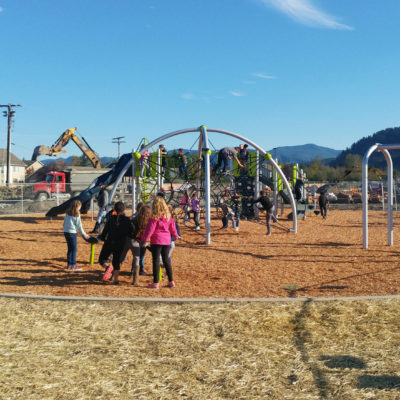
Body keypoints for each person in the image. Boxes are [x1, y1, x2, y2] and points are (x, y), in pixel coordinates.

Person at [141, 197, 178, 289]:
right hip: (166, 241)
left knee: (156, 261)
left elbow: (150, 230)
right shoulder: (168, 216)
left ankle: (156, 283)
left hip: (157, 241)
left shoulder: (154, 217)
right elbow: (173, 228)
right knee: (166, 260)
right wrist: (175, 236)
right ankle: (171, 281)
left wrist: (145, 239)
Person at [99, 201, 133, 284]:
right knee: (116, 261)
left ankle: (107, 267)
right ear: (124, 210)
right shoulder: (127, 220)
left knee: (102, 259)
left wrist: (103, 238)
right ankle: (115, 279)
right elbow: (131, 230)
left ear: (114, 209)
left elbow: (105, 231)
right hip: (121, 243)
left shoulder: (111, 219)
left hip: (110, 242)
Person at [123, 204, 152, 285]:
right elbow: (146, 235)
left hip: (128, 239)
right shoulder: (148, 223)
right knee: (137, 258)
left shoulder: (134, 219)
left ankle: (113, 274)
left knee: (121, 257)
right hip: (137, 242)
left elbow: (128, 229)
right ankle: (135, 279)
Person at [63, 200, 90, 270]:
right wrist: (84, 234)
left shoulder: (67, 212)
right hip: (72, 233)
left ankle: (69, 264)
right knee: (74, 249)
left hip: (66, 232)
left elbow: (64, 223)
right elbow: (79, 226)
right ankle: (73, 265)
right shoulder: (77, 214)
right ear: (78, 207)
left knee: (70, 249)